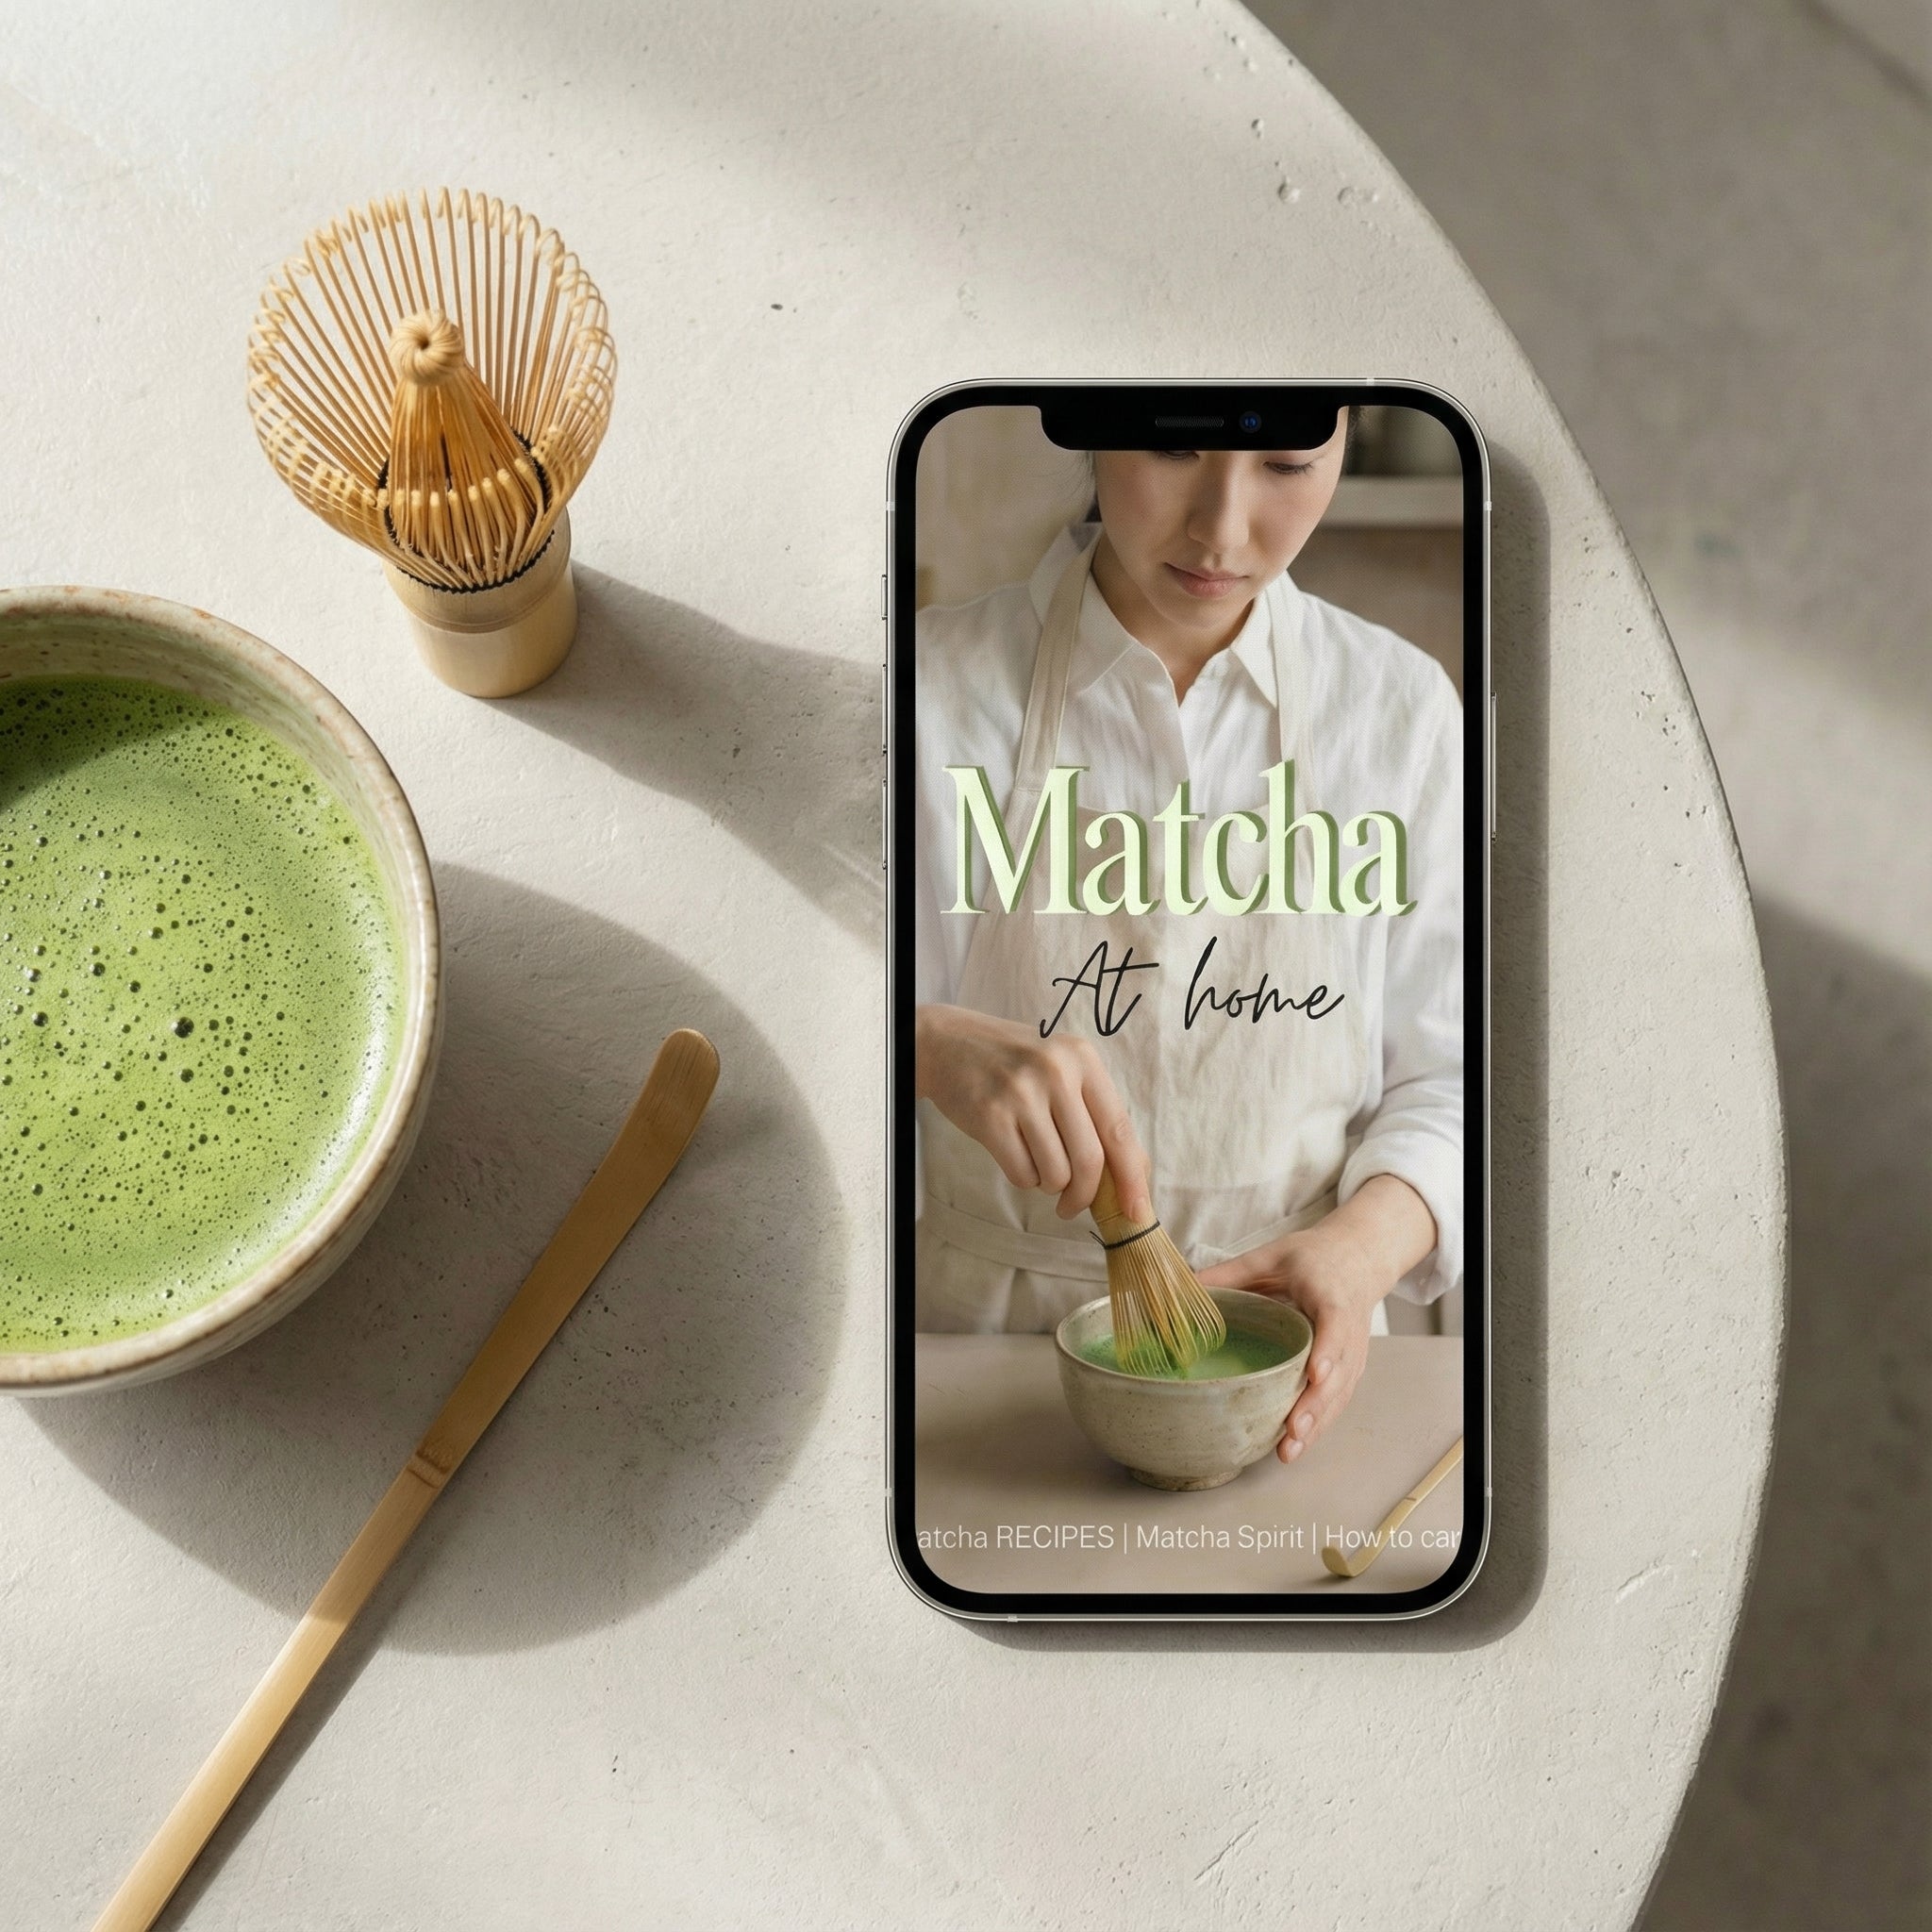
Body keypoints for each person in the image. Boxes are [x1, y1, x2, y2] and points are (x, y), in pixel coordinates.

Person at [912, 410, 1463, 1463]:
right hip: (982, 1378)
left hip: (1297, 1371)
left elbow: (1446, 1081)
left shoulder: (1400, 715)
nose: (1222, 531)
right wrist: (927, 1042)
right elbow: (791, 1026)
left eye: (1286, 465)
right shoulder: (925, 691)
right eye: (1172, 451)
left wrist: (1355, 1251)